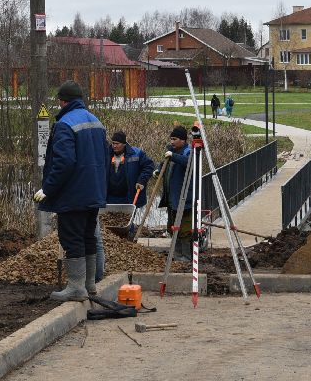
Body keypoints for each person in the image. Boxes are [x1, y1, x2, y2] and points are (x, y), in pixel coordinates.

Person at [33, 80, 107, 302]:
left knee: (72, 237)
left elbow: (64, 162)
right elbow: (104, 158)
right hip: (94, 192)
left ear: (62, 101)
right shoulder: (96, 121)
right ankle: (89, 285)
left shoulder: (65, 124)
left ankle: (76, 288)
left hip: (74, 194)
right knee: (88, 236)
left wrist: (48, 188)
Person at [94, 130, 156, 279]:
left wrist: (141, 180)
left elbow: (148, 166)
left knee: (127, 225)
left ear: (124, 143)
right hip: (109, 196)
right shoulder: (105, 154)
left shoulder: (136, 154)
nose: (114, 146)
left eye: (117, 143)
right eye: (113, 143)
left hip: (128, 196)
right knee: (108, 225)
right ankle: (110, 250)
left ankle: (129, 246)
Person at [163, 125, 192, 231]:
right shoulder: (173, 151)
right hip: (172, 199)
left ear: (183, 140)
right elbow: (165, 165)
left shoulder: (188, 152)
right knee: (171, 228)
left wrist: (173, 156)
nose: (172, 142)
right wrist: (159, 170)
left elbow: (189, 162)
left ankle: (182, 248)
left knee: (182, 231)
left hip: (183, 200)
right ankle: (174, 247)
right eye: (171, 139)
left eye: (174, 139)